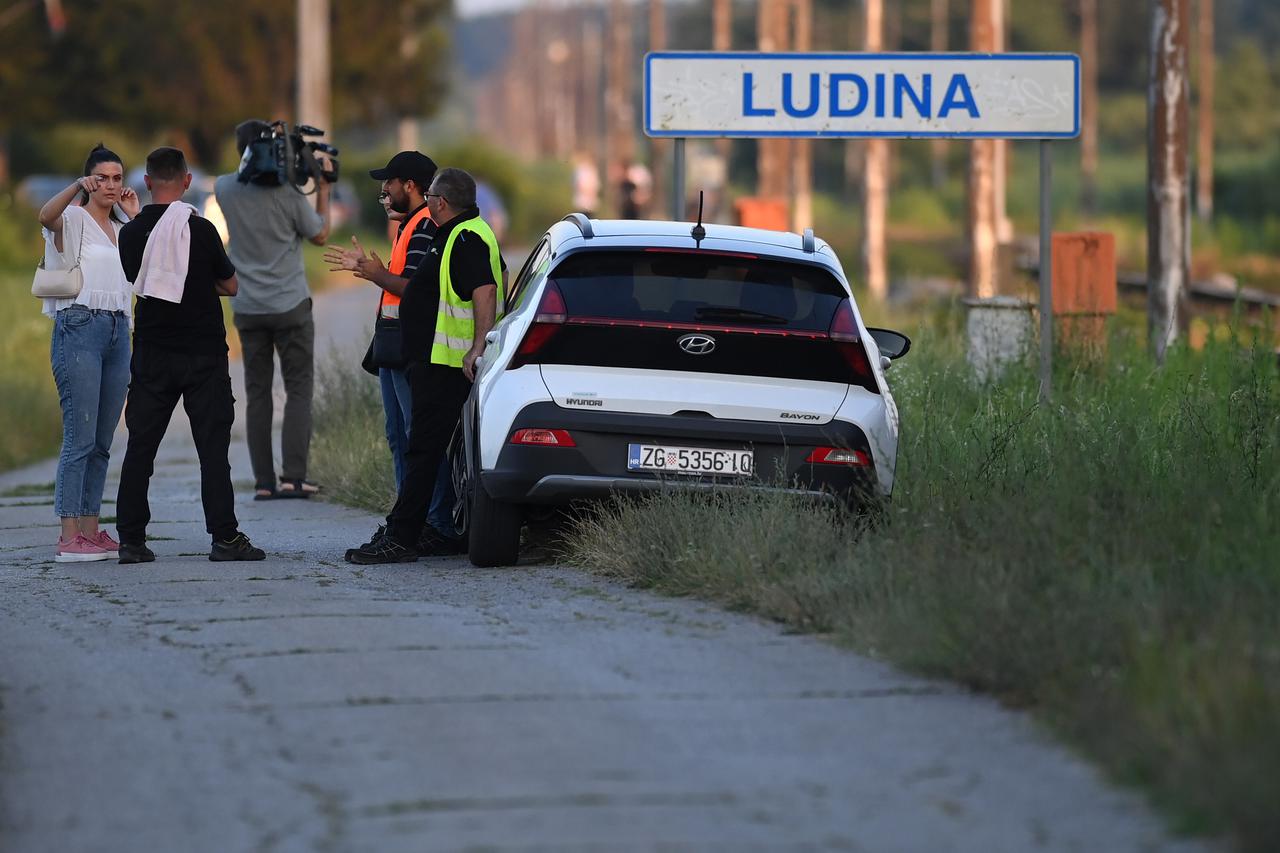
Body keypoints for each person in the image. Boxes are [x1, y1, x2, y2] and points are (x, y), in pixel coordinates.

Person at [344, 167, 505, 564]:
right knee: (426, 451)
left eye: (431, 194)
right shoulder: (452, 232)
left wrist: (476, 348)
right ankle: (430, 531)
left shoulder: (465, 236)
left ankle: (403, 538)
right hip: (434, 361)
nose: (428, 199)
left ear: (441, 201)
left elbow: (485, 289)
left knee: (421, 451)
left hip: (448, 365)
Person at [114, 147, 265, 564]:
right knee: (212, 452)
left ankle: (130, 540)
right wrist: (198, 283)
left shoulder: (130, 233)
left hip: (151, 356)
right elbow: (231, 286)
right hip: (203, 356)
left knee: (141, 448)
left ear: (146, 181)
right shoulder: (200, 230)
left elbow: (140, 278)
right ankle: (225, 538)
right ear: (185, 182)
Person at [323, 151, 460, 547]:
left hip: (408, 348)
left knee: (418, 438)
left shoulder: (424, 228)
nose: (384, 191)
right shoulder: (409, 227)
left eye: (390, 182)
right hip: (393, 345)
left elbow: (417, 291)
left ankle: (433, 524)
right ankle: (409, 520)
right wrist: (377, 273)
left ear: (411, 186)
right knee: (399, 437)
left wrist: (375, 274)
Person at [213, 119, 332, 501]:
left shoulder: (224, 188)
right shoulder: (288, 191)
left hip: (247, 305)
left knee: (258, 393)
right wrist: (323, 186)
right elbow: (320, 234)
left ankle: (264, 482)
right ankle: (293, 478)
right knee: (298, 390)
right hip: (291, 304)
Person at [37, 144, 141, 562]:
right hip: (80, 326)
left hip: (119, 330)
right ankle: (68, 535)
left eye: (118, 177)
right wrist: (75, 189)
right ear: (89, 179)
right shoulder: (74, 218)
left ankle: (92, 529)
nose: (111, 185)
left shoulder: (124, 226)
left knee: (102, 440)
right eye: (103, 177)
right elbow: (45, 217)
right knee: (79, 436)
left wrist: (136, 218)